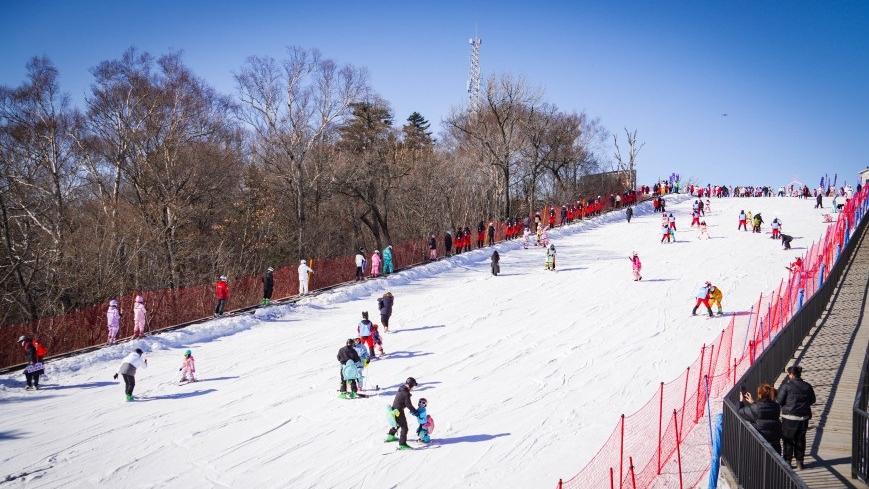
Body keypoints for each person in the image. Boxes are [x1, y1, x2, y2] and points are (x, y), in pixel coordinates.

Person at [776, 365, 816, 470]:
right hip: (803, 417)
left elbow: (779, 401)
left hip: (788, 417)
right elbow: (812, 400)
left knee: (788, 440)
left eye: (788, 374)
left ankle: (788, 461)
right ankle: (800, 462)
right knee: (800, 440)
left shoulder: (786, 386)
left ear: (791, 374)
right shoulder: (807, 386)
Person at [739, 384, 783, 454]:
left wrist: (741, 401)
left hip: (761, 442)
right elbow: (764, 410)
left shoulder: (756, 407)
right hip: (775, 441)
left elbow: (740, 412)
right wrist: (753, 403)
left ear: (760, 395)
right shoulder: (776, 406)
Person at [385, 377, 420, 449]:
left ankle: (390, 436)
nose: (413, 388)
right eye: (413, 386)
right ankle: (402, 444)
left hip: (394, 409)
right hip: (398, 411)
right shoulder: (406, 393)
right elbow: (409, 405)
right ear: (410, 385)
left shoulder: (401, 388)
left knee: (398, 423)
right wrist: (416, 412)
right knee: (405, 428)